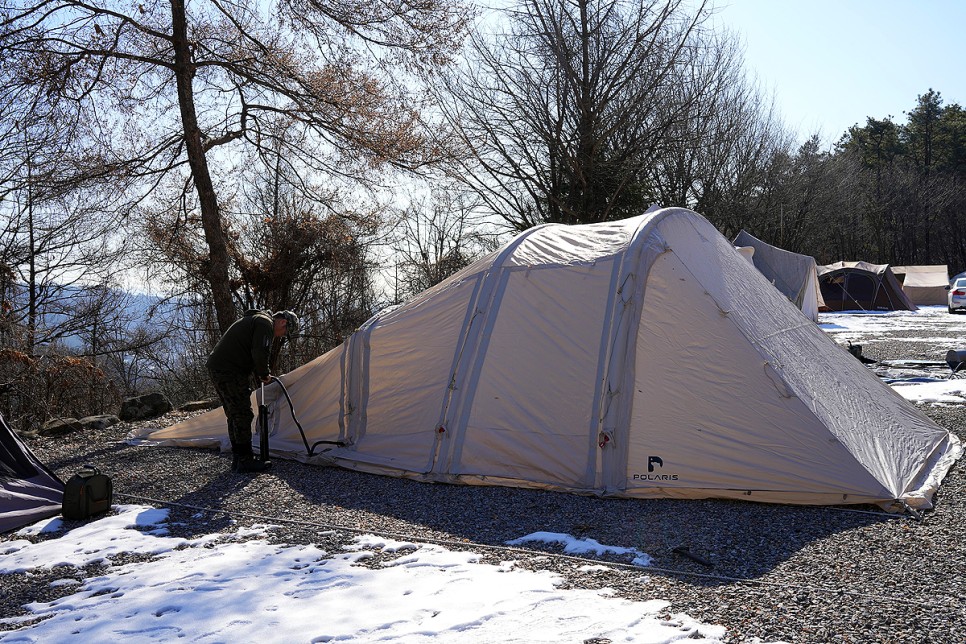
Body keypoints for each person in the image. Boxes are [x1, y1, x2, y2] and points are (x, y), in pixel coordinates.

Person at [206, 309, 300, 473]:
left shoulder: (257, 320)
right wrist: (264, 373)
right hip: (229, 370)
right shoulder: (265, 324)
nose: (281, 336)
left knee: (234, 413)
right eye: (285, 333)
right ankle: (244, 460)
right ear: (283, 322)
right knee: (242, 413)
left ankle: (238, 457)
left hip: (219, 368)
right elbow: (260, 351)